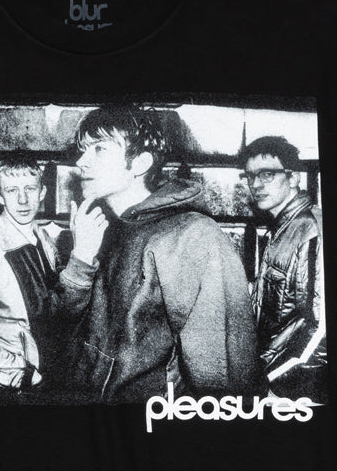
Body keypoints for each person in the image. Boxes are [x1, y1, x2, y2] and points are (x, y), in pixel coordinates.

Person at [63, 105, 257, 402]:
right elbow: (65, 334)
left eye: (99, 149)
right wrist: (80, 260)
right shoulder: (104, 229)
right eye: (83, 150)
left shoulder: (191, 235)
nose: (81, 162)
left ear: (140, 163)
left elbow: (222, 372)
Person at [0, 154, 107, 391]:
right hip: (21, 389)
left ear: (42, 192)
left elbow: (56, 311)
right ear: (0, 197)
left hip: (56, 379)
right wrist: (24, 375)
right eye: (12, 191)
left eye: (30, 188)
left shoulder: (42, 239)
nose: (23, 200)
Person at [241, 135, 327, 400]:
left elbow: (323, 327)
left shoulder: (311, 229)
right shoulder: (281, 229)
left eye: (267, 174)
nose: (256, 184)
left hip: (292, 389)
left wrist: (277, 385)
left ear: (294, 178)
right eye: (250, 176)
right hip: (273, 377)